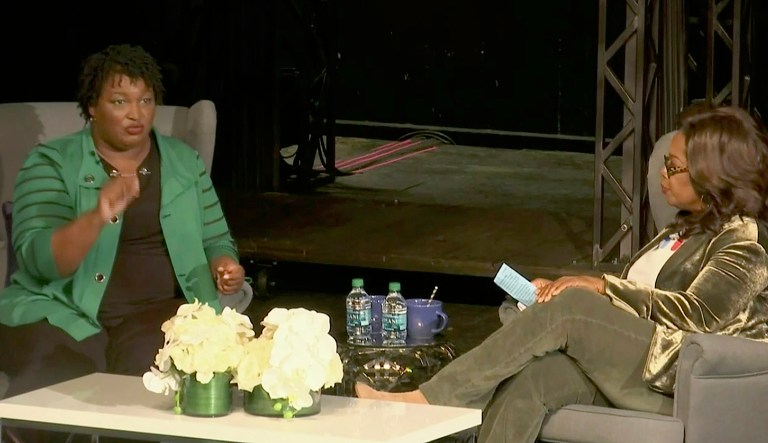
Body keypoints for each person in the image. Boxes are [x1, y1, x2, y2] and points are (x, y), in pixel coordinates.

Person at [356, 104, 768, 442]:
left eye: (674, 168)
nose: (662, 173)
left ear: (712, 176)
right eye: (665, 163)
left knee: (572, 308)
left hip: (675, 379)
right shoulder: (681, 228)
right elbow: (634, 294)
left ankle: (430, 401)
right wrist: (560, 291)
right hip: (627, 367)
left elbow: (698, 315)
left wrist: (602, 288)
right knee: (533, 379)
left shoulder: (745, 240)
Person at [0, 44, 245, 441]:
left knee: (148, 384)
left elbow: (216, 236)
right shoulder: (50, 162)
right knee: (61, 375)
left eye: (145, 100)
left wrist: (224, 264)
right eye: (120, 101)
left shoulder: (184, 162)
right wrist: (97, 216)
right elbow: (40, 261)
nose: (136, 114)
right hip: (61, 311)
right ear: (92, 106)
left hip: (158, 315)